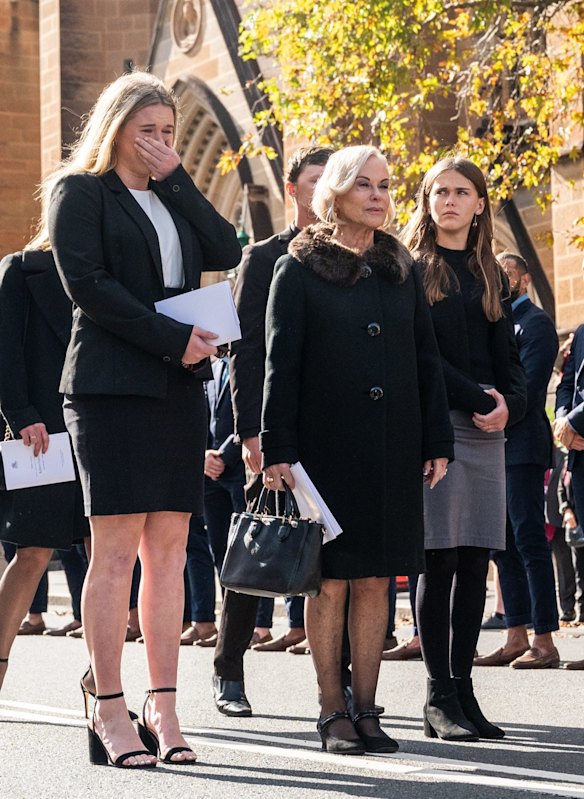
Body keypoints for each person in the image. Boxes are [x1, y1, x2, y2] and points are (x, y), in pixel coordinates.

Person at [47, 71, 240, 768]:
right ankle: (107, 706)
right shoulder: (81, 191)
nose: (160, 142)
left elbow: (226, 248)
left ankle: (165, 703)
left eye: (168, 130)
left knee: (169, 549)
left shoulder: (172, 197)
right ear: (117, 125)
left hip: (176, 388)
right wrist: (171, 337)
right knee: (118, 549)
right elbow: (88, 285)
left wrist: (182, 177)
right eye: (149, 130)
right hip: (110, 387)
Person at [261, 145, 453, 755]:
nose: (378, 195)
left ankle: (368, 709)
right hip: (325, 450)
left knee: (377, 580)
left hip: (394, 448)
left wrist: (436, 440)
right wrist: (277, 448)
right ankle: (330, 710)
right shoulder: (298, 268)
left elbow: (427, 361)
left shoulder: (402, 270)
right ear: (335, 192)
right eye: (364, 185)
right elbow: (278, 367)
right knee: (334, 583)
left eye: (386, 186)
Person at [402, 155, 526, 741]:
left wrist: (510, 406)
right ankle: (437, 697)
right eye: (439, 192)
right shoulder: (410, 269)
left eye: (462, 192)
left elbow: (513, 366)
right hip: (438, 427)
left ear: (480, 204)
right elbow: (421, 360)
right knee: (440, 558)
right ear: (427, 203)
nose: (449, 201)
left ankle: (465, 691)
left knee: (477, 560)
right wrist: (478, 398)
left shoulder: (492, 276)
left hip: (487, 429)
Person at [212, 145, 333, 717]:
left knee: (342, 559)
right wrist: (251, 433)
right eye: (314, 182)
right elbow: (245, 350)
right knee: (258, 547)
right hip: (274, 425)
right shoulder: (263, 257)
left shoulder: (361, 256)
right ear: (293, 190)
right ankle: (228, 668)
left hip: (337, 426)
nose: (324, 191)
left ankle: (338, 685)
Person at [0, 242, 90, 692]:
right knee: (33, 551)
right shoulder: (22, 268)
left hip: (104, 429)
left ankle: (103, 680)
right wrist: (20, 414)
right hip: (43, 435)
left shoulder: (112, 268)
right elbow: (5, 349)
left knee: (107, 554)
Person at [474, 252, 559, 669]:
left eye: (507, 275)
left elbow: (528, 384)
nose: (502, 282)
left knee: (528, 540)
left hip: (522, 445)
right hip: (493, 445)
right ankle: (515, 635)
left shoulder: (537, 323)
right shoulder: (497, 322)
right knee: (501, 544)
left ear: (524, 280)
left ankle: (544, 639)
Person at [554, 323, 584, 669]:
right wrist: (564, 420)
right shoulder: (580, 331)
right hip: (578, 452)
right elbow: (566, 384)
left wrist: (576, 420)